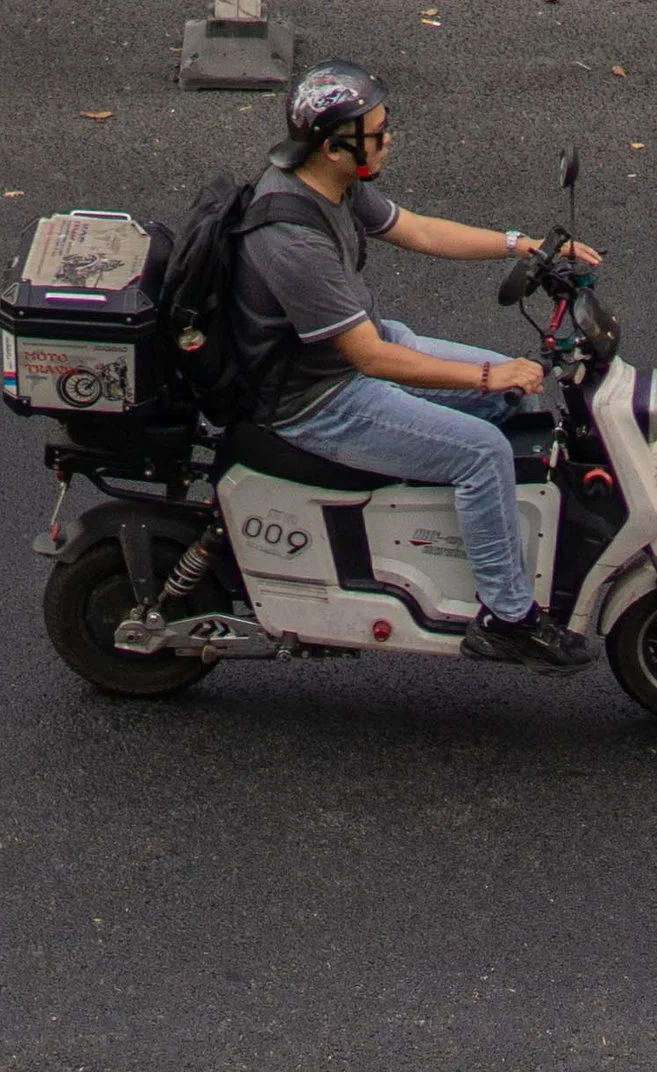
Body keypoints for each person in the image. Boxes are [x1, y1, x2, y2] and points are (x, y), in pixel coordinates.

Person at [233, 63, 603, 674]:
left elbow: (420, 232)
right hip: (320, 399)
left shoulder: (337, 182)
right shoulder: (291, 238)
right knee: (482, 447)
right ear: (333, 146)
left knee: (515, 397)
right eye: (377, 132)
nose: (387, 140)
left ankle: (461, 538)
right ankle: (507, 620)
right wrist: (489, 377)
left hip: (354, 353)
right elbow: (371, 360)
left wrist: (526, 245)